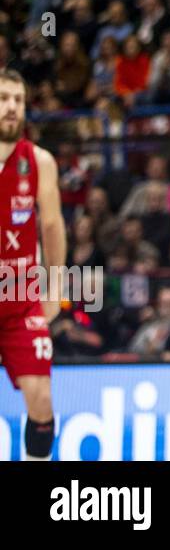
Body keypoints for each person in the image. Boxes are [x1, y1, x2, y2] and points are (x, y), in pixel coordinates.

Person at [0, 70, 66, 460]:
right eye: (4, 98)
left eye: (18, 100)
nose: (11, 107)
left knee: (41, 402)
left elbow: (54, 225)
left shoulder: (40, 161)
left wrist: (56, 287)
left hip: (21, 299)